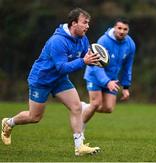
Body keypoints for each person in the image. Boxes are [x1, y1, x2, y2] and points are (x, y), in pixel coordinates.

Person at [1, 8, 100, 156]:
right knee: (34, 117)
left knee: (76, 107)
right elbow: (61, 67)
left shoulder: (83, 39)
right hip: (41, 80)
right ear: (74, 23)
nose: (87, 26)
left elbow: (85, 58)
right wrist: (83, 61)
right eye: (84, 22)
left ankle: (79, 147)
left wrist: (95, 60)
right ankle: (8, 123)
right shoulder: (57, 41)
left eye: (88, 23)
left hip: (59, 80)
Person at [81, 18, 136, 137]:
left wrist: (126, 86)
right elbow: (96, 64)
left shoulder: (130, 44)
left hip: (112, 79)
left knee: (108, 108)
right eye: (119, 28)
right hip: (95, 75)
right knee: (96, 103)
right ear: (114, 28)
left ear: (128, 30)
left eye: (125, 29)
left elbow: (128, 66)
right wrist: (106, 82)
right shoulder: (104, 40)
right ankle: (79, 130)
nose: (122, 31)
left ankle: (84, 107)